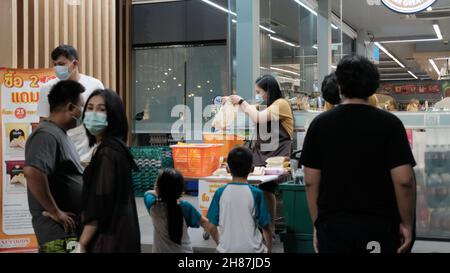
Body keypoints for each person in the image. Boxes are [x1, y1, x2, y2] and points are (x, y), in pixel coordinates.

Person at [300, 55, 416, 253]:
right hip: (379, 226)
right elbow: (404, 180)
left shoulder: (319, 125)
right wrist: (407, 223)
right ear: (373, 86)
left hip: (333, 226)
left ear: (339, 87)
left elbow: (310, 181)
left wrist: (317, 224)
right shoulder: (390, 125)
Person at [227, 75, 294, 237]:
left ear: (268, 90)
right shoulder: (271, 106)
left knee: (267, 187)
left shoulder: (282, 104)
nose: (259, 95)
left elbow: (259, 118)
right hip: (264, 152)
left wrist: (242, 102)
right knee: (261, 186)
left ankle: (269, 225)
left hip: (277, 154)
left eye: (260, 92)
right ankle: (262, 223)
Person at [24, 80, 85, 253]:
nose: (82, 112)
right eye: (80, 107)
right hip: (57, 236)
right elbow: (32, 171)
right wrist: (55, 211)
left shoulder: (60, 133)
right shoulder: (45, 134)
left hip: (68, 235)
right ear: (70, 107)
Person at [78, 89, 140, 253]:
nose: (93, 114)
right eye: (90, 108)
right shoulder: (113, 147)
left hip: (108, 239)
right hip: (121, 235)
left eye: (101, 109)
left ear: (114, 115)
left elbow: (100, 203)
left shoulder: (108, 152)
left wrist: (82, 243)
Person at [37, 45, 104, 165]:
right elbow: (43, 121)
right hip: (60, 157)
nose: (57, 68)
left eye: (61, 64)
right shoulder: (48, 88)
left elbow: (102, 118)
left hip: (88, 156)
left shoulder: (94, 85)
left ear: (74, 64)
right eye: (55, 64)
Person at [207, 147, 272, 253]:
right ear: (252, 169)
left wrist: (221, 245)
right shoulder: (256, 193)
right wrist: (269, 250)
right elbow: (266, 227)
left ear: (228, 169)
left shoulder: (220, 192)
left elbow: (211, 226)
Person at [144, 169, 217, 253]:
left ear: (157, 189)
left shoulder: (152, 206)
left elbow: (147, 193)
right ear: (181, 191)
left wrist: (161, 192)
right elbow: (206, 223)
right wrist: (219, 244)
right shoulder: (185, 207)